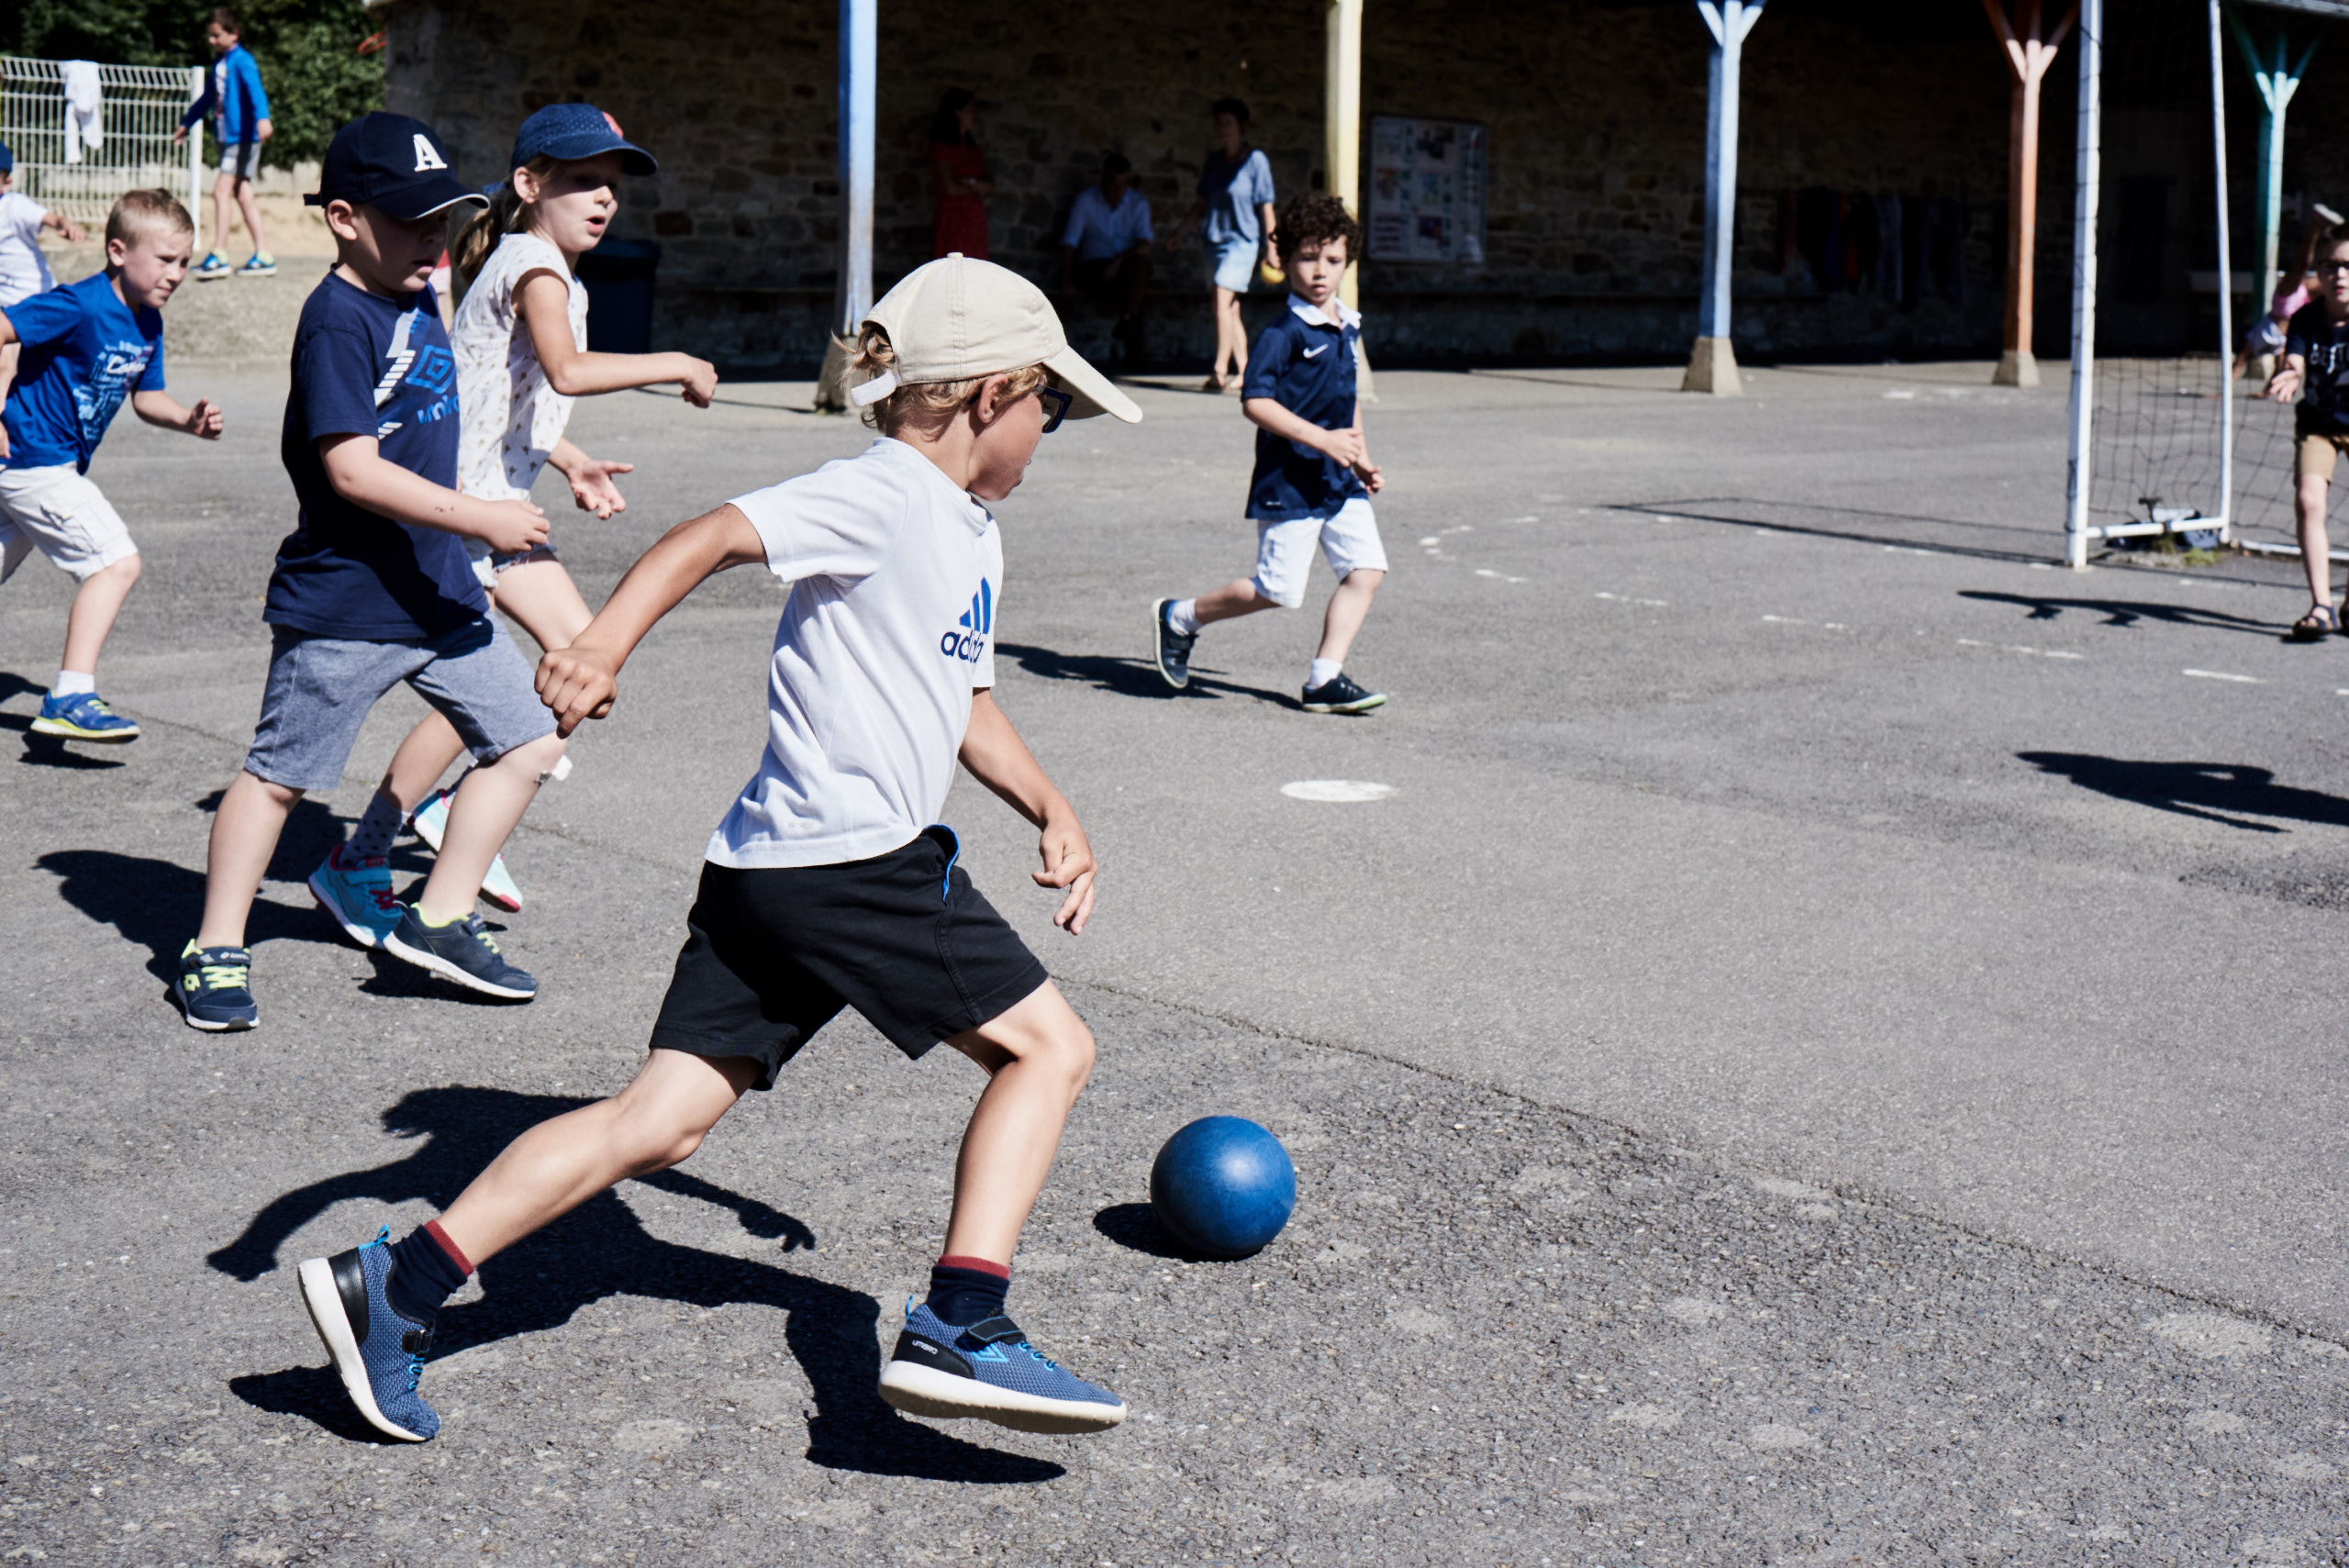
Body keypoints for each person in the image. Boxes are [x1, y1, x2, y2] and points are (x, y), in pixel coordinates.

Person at [292, 253, 1143, 1447]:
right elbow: (715, 533)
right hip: (853, 860)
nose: (1051, 426)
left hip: (772, 870)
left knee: (665, 1119)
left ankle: (399, 1282)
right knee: (1050, 1051)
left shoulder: (969, 531)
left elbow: (967, 700)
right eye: (1048, 402)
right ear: (988, 393)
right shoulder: (887, 489)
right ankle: (964, 1319)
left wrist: (1051, 805)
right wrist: (600, 647)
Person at [175, 113, 568, 1032]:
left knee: (528, 737)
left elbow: (441, 411)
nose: (433, 243)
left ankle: (435, 915)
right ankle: (215, 944)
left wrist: (570, 454)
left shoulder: (412, 297)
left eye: (441, 225)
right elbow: (351, 468)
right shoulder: (336, 318)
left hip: (436, 588)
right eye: (410, 223)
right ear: (344, 217)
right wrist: (487, 518)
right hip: (350, 599)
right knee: (280, 776)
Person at [377, 103, 718, 914]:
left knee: (581, 669)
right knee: (550, 675)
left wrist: (566, 457)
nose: (603, 198)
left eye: (611, 185)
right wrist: (674, 361)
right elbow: (564, 369)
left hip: (491, 495)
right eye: (582, 182)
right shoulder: (536, 266)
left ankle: (445, 811)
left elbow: (496, 388)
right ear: (530, 185)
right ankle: (387, 841)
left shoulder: (525, 257)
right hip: (470, 512)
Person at [1152, 193, 1388, 714]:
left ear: (1347, 261)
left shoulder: (1347, 326)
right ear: (1282, 259)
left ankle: (1324, 677)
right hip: (1290, 481)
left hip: (1338, 479)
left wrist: (1360, 455)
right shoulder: (1284, 333)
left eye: (1332, 259)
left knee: (1366, 569)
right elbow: (1255, 401)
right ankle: (1180, 616)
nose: (1320, 271)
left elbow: (1346, 404)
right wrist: (1322, 441)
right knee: (1278, 590)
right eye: (1308, 257)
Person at [0, 190, 221, 745]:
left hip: (39, 467)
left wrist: (187, 421)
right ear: (118, 251)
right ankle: (70, 696)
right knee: (115, 563)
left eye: (186, 263)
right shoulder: (77, 304)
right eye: (166, 260)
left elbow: (148, 399)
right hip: (34, 459)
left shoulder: (147, 323)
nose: (177, 274)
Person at [2269, 221, 2349, 641]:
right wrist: (2291, 375)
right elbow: (2295, 359)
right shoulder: (2305, 319)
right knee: (2308, 500)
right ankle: (2321, 606)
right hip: (2318, 425)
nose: (2340, 275)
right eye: (2331, 266)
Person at [1165, 99, 1276, 393]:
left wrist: (1272, 247)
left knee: (1221, 303)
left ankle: (1219, 370)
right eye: (1219, 123)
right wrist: (1180, 232)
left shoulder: (1256, 161)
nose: (1222, 129)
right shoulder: (1214, 162)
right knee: (1228, 308)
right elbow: (1201, 205)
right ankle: (1246, 371)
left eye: (1228, 123)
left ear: (1241, 126)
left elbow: (1266, 208)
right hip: (1213, 241)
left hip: (1243, 243)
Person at [171, 7, 275, 280]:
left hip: (242, 138)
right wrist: (186, 123)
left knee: (221, 191)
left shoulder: (242, 61)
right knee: (242, 193)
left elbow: (256, 91)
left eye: (216, 35)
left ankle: (219, 254)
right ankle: (264, 256)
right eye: (210, 36)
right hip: (227, 137)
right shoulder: (220, 63)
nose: (211, 40)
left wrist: (263, 118)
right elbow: (207, 98)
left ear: (234, 34)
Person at [0, 141, 87, 412]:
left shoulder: (14, 205)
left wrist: (67, 225)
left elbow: (51, 218)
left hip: (33, 300)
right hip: (5, 303)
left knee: (14, 366)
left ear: (7, 181)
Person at [1057, 151, 1154, 363]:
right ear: (1103, 180)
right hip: (1093, 268)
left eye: (1123, 184)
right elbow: (1070, 241)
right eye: (1113, 184)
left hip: (1125, 270)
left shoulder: (1138, 204)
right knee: (1137, 287)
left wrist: (1117, 263)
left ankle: (1128, 322)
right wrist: (1066, 281)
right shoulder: (1086, 200)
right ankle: (1131, 333)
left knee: (1139, 270)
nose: (1118, 190)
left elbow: (1144, 244)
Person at [2237, 206, 2338, 389]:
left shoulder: (2261, 339)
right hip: (2292, 307)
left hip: (2284, 303)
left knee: (2303, 267)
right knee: (2313, 270)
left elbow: (2241, 364)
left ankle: (2317, 224)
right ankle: (2324, 229)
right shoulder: (2279, 341)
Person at [928, 89, 993, 260]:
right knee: (951, 264)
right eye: (971, 110)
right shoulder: (943, 149)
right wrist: (977, 186)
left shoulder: (974, 150)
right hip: (952, 218)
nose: (975, 115)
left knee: (976, 265)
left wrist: (970, 184)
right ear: (957, 112)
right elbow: (951, 189)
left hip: (974, 217)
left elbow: (991, 184)